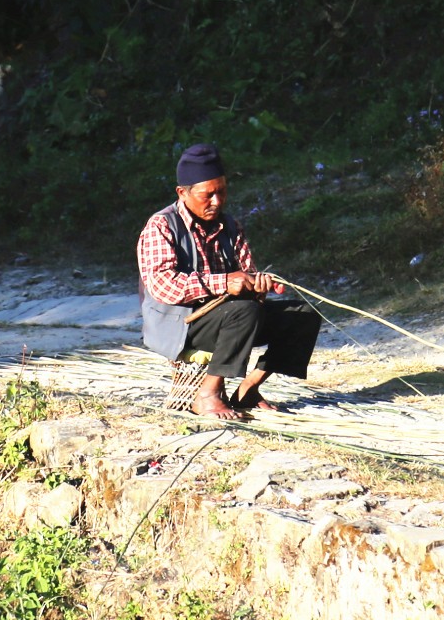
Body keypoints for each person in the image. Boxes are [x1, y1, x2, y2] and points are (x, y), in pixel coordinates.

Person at [137, 142, 321, 419]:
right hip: (179, 322)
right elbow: (163, 285)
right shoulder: (162, 226)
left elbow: (245, 275)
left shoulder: (231, 226)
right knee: (243, 311)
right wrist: (224, 283)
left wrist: (260, 285)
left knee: (302, 314)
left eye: (222, 192)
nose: (216, 201)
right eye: (207, 195)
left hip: (230, 318)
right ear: (182, 193)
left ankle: (249, 389)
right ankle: (208, 395)